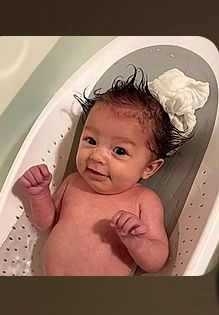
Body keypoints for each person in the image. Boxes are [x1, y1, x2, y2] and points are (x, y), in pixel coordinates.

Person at [18, 66, 208, 276]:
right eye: (91, 140)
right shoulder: (73, 182)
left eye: (119, 151)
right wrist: (39, 193)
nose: (97, 156)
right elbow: (47, 223)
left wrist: (138, 243)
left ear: (149, 168)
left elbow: (156, 262)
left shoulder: (143, 200)